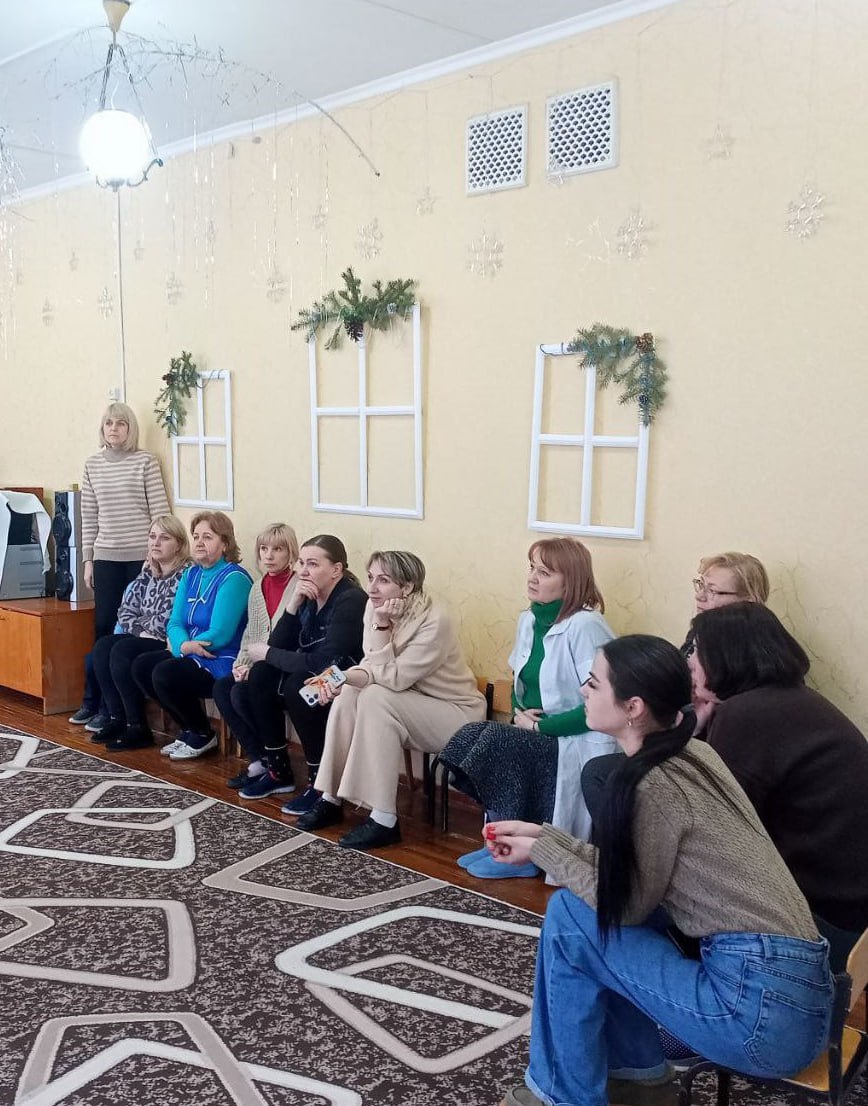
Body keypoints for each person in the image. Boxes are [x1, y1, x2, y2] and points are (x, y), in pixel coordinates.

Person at [489, 635, 833, 1106]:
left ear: (633, 707)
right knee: (588, 916)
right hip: (797, 1004)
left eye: (593, 682)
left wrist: (547, 851)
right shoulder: (696, 756)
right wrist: (545, 840)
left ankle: (561, 1095)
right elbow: (630, 883)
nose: (584, 690)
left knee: (572, 917)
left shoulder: (654, 784)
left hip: (758, 1017)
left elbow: (623, 906)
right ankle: (636, 1082)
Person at [689, 601, 868, 971]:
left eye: (697, 649)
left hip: (826, 920)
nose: (690, 661)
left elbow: (708, 828)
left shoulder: (747, 714)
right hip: (853, 908)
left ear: (726, 655)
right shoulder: (790, 698)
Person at [438, 538, 616, 879]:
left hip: (573, 740)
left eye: (544, 572)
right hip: (536, 730)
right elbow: (520, 681)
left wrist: (539, 727)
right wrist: (520, 714)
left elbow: (600, 703)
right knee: (471, 737)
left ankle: (522, 852)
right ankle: (501, 840)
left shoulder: (586, 627)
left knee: (495, 743)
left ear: (570, 581)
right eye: (532, 568)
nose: (532, 577)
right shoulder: (529, 620)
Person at [295, 551, 487, 850]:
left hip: (454, 712)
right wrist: (339, 679)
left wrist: (382, 626)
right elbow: (373, 666)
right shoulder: (374, 607)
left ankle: (384, 819)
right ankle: (331, 798)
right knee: (349, 693)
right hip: (406, 701)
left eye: (383, 580)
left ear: (407, 587)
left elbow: (395, 679)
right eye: (371, 577)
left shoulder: (435, 619)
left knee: (375, 697)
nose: (372, 588)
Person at [234, 535, 366, 810]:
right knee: (261, 674)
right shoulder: (308, 594)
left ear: (336, 569)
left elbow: (324, 662)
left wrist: (269, 653)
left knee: (300, 687)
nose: (303, 571)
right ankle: (278, 771)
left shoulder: (351, 600)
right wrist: (293, 604)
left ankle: (320, 784)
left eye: (313, 564)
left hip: (348, 674)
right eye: (302, 563)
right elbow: (278, 645)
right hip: (317, 669)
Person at [68, 402, 170, 730]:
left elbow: (160, 513)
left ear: (130, 428)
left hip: (141, 559)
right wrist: (88, 560)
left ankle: (125, 710)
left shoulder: (145, 462)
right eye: (109, 423)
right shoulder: (92, 465)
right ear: (103, 428)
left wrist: (155, 556)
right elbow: (89, 516)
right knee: (103, 628)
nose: (114, 429)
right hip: (106, 557)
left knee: (131, 629)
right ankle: (96, 703)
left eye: (121, 423)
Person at [131, 511, 252, 760]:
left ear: (225, 543)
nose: (199, 542)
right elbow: (175, 622)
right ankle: (189, 729)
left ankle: (202, 733)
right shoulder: (191, 573)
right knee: (141, 666)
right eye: (196, 536)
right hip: (189, 652)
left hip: (219, 657)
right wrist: (183, 646)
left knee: (165, 673)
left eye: (207, 537)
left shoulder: (235, 578)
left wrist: (183, 647)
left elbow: (221, 633)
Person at [211, 523, 300, 792]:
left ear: (291, 553)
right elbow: (251, 633)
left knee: (241, 693)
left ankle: (278, 765)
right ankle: (260, 759)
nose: (269, 555)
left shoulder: (299, 586)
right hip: (258, 665)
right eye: (264, 549)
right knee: (223, 687)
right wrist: (241, 664)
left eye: (277, 549)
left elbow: (296, 638)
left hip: (284, 667)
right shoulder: (258, 587)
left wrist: (259, 665)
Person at [89, 515, 189, 751]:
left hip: (168, 641)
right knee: (103, 646)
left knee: (122, 650)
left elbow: (167, 620)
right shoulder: (149, 571)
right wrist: (140, 630)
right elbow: (124, 611)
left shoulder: (186, 573)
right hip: (145, 637)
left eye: (164, 538)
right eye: (152, 536)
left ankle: (137, 726)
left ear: (179, 544)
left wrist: (140, 626)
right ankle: (117, 718)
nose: (156, 543)